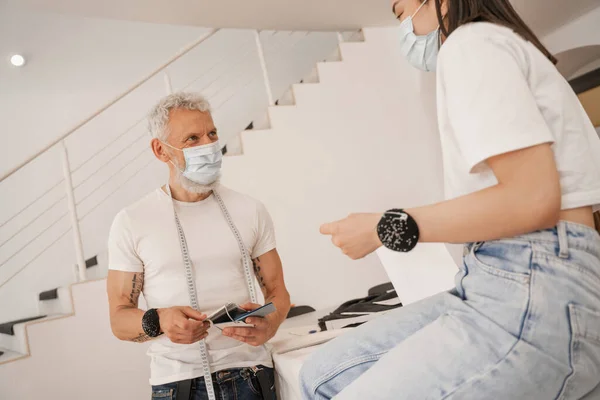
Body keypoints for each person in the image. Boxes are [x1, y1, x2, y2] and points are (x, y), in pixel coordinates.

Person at [299, 0, 600, 399]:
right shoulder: (499, 46)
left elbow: (532, 199)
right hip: (500, 275)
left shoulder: (470, 43)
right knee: (322, 375)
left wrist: (384, 227)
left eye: (401, 12)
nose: (405, 28)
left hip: (533, 276)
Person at [107, 92, 290, 400]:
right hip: (178, 384)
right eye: (192, 138)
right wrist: (159, 320)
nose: (208, 145)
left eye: (212, 134)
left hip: (253, 375)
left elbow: (279, 293)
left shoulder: (250, 210)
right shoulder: (132, 221)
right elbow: (118, 318)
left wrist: (269, 324)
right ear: (160, 150)